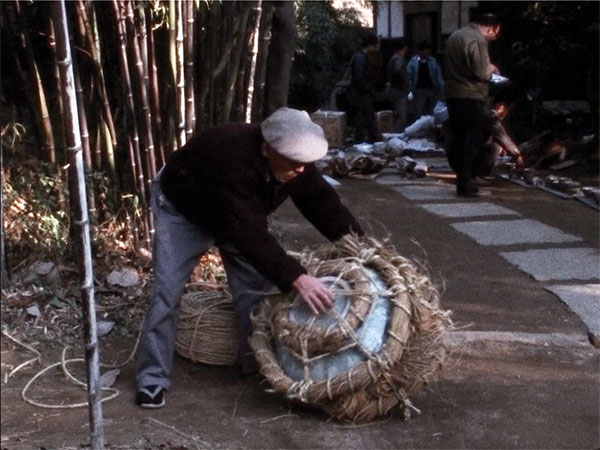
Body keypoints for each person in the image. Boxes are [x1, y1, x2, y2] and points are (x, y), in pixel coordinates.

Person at [135, 107, 363, 408]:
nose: (299, 170)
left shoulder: (295, 163)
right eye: (293, 164)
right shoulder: (232, 160)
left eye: (304, 164)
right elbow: (247, 233)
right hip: (183, 210)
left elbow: (322, 202)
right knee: (166, 291)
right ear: (266, 148)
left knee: (254, 294)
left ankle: (254, 363)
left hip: (236, 217)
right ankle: (152, 378)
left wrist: (357, 245)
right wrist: (298, 278)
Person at [444, 13, 503, 196]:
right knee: (471, 141)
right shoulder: (477, 40)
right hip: (471, 95)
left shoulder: (456, 36)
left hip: (453, 94)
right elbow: (481, 72)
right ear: (490, 27)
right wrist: (491, 68)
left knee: (459, 139)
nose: (494, 37)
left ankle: (462, 180)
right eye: (495, 33)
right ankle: (467, 184)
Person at [348, 32, 383, 143]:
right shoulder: (360, 58)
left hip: (361, 93)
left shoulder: (361, 57)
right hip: (361, 94)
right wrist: (368, 88)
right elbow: (359, 78)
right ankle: (375, 140)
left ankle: (363, 140)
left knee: (362, 119)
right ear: (370, 45)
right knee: (367, 118)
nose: (376, 49)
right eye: (375, 46)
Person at [406, 41, 444, 118]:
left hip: (432, 89)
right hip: (419, 90)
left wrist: (442, 87)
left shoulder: (432, 61)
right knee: (419, 111)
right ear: (420, 51)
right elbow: (409, 76)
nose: (427, 52)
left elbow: (438, 75)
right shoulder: (413, 62)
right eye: (426, 50)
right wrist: (409, 89)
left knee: (432, 111)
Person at [385, 39, 410, 132]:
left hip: (395, 89)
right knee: (402, 116)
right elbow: (398, 70)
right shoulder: (398, 58)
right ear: (404, 48)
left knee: (398, 114)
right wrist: (403, 84)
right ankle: (395, 134)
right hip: (398, 90)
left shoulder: (395, 58)